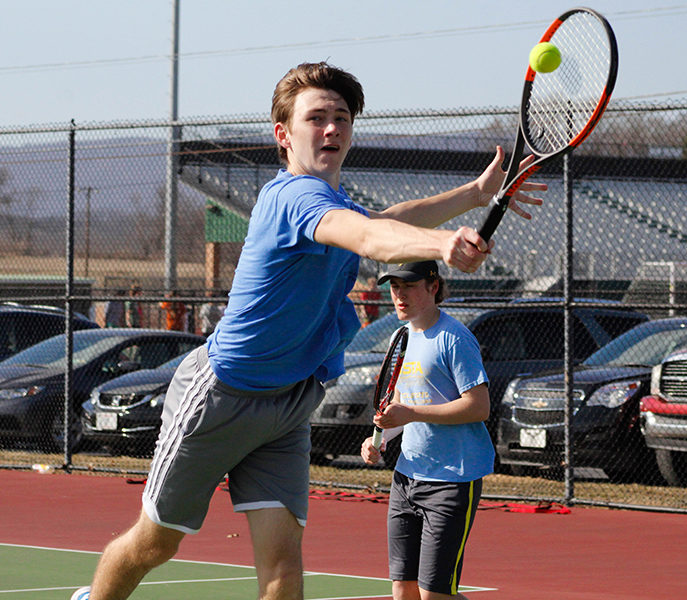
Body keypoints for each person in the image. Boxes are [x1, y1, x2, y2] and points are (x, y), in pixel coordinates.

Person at [75, 61, 543, 600]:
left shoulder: (335, 203)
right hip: (222, 396)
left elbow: (388, 217)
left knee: (283, 562)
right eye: (316, 117)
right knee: (154, 545)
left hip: (290, 403)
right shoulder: (290, 198)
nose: (331, 129)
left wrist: (475, 193)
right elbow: (370, 236)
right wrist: (442, 246)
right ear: (284, 134)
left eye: (341, 118)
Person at [360, 261, 493, 600]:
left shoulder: (455, 338)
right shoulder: (400, 336)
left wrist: (412, 412)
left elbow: (479, 406)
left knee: (433, 595)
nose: (399, 295)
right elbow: (402, 399)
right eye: (394, 287)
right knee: (403, 592)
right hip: (406, 478)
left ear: (433, 287)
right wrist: (381, 438)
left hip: (452, 480)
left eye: (409, 286)